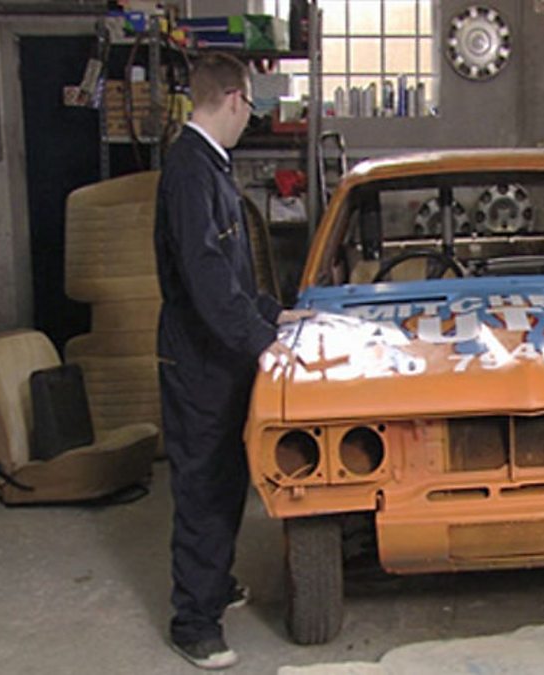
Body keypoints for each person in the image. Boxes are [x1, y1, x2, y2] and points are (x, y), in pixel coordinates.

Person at [154, 53, 309, 670]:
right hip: (199, 358)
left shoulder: (211, 167)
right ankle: (193, 622)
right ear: (236, 99)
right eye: (252, 105)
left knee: (224, 478)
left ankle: (214, 584)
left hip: (219, 351)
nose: (252, 118)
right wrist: (259, 340)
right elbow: (206, 278)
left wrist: (273, 314)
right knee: (202, 487)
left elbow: (235, 277)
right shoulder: (190, 172)